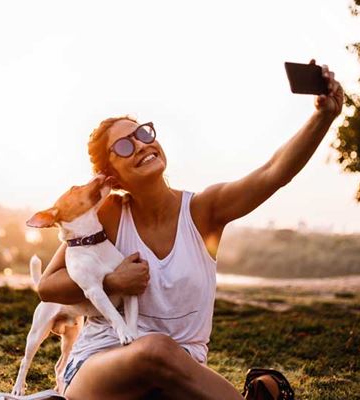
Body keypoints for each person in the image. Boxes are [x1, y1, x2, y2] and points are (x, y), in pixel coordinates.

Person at [37, 60, 343, 400]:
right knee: (155, 349)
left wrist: (323, 116)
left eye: (142, 134)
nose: (140, 145)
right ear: (112, 175)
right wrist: (111, 281)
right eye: (124, 146)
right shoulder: (109, 215)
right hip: (99, 369)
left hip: (179, 375)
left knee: (175, 360)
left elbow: (273, 172)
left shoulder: (203, 211)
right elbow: (47, 286)